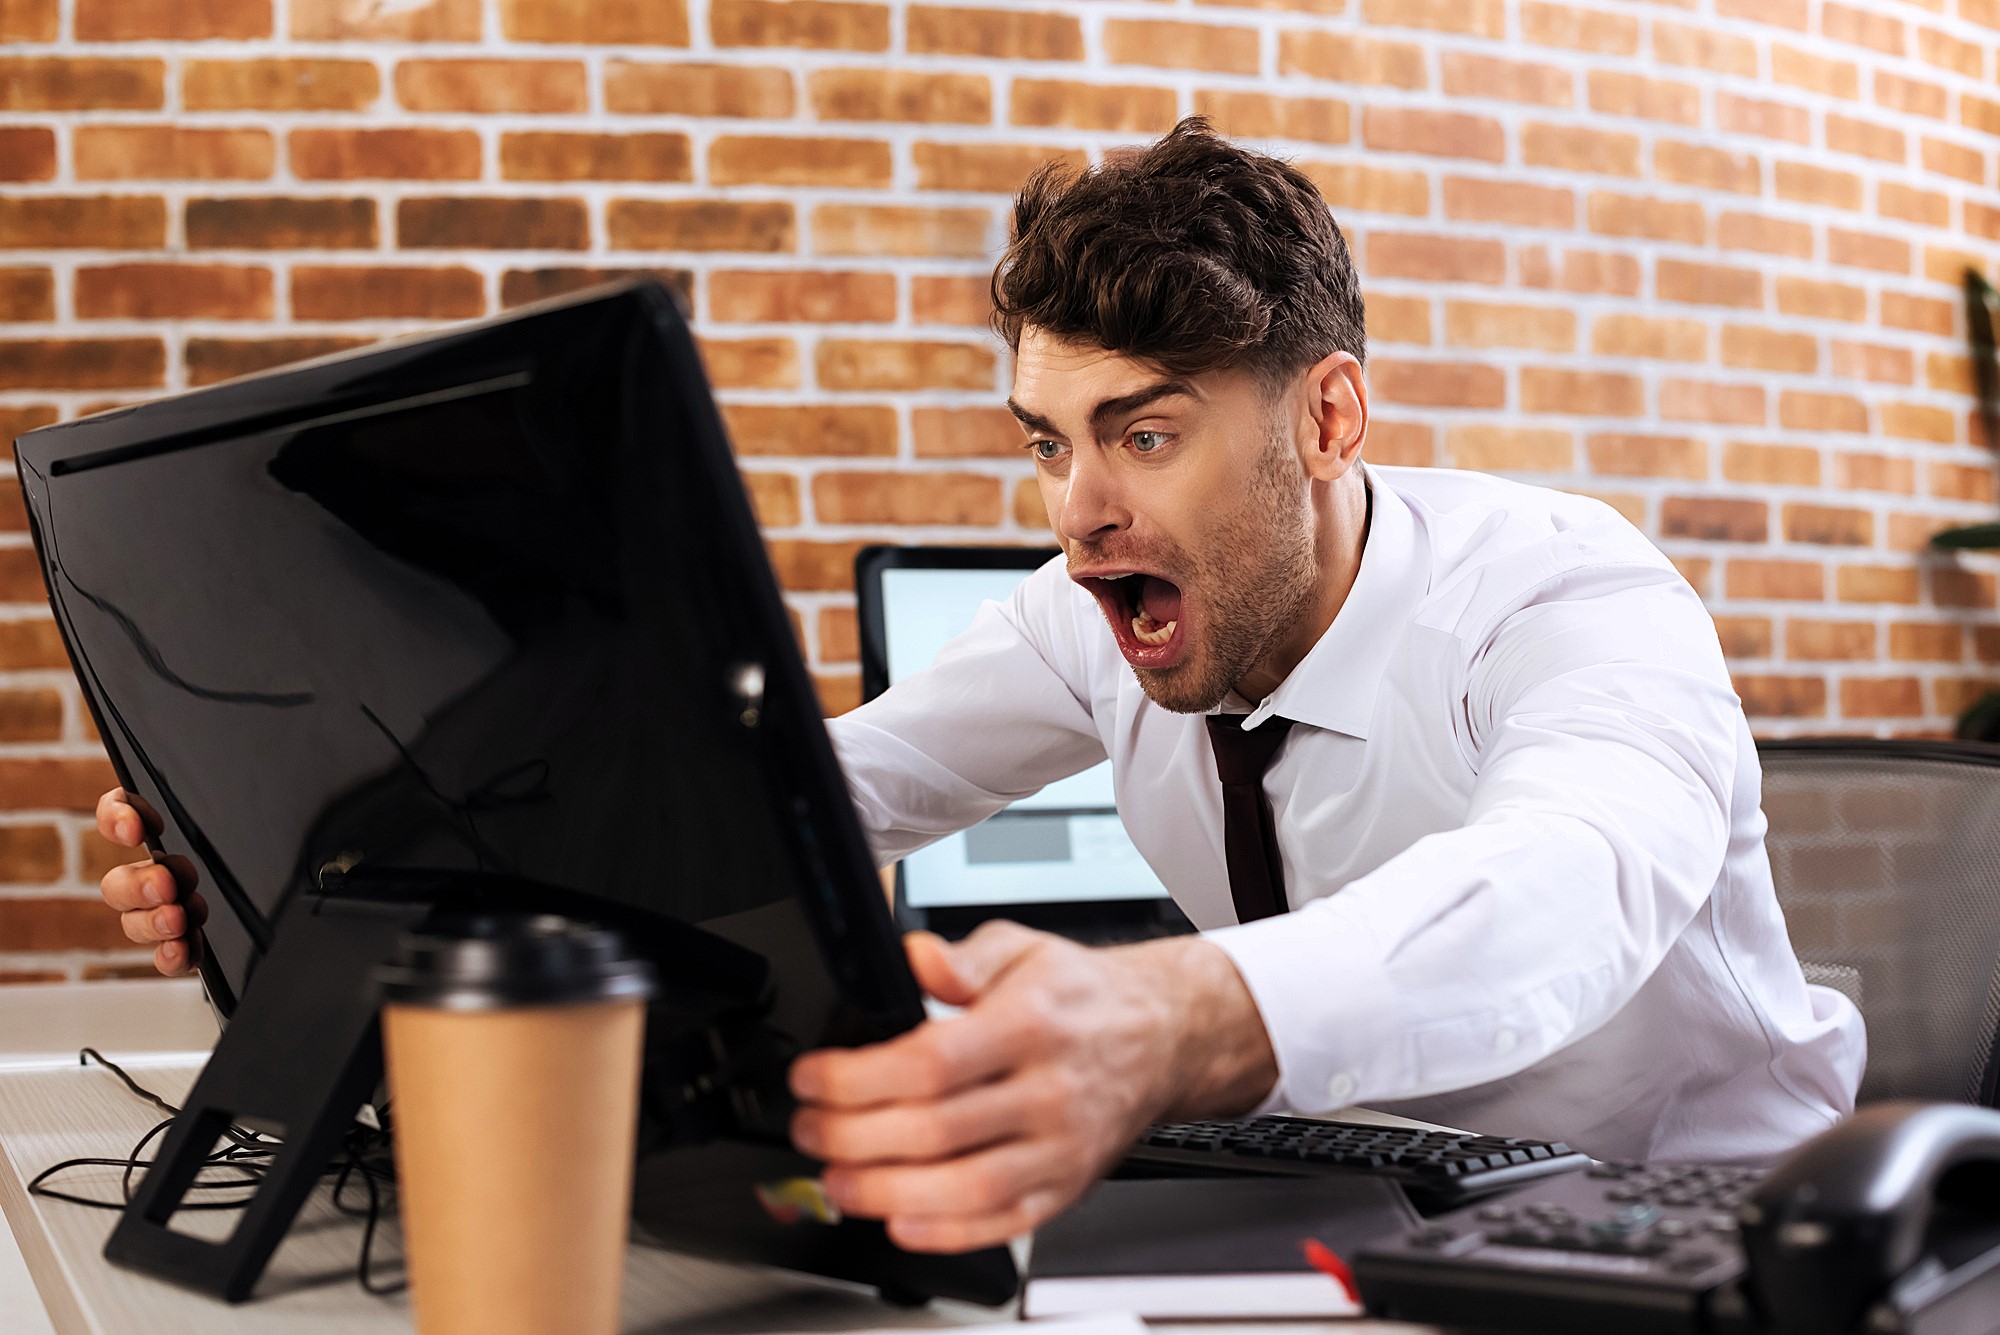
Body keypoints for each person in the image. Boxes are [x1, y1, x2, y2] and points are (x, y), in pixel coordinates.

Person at [94, 119, 1864, 1258]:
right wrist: (334, 858)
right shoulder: (1083, 610)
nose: (1080, 513)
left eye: (1145, 435)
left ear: (1329, 420)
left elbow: (1566, 881)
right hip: (1354, 1223)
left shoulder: (1570, 596)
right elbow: (806, 797)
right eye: (1049, 441)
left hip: (1713, 1240)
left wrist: (1167, 1022)